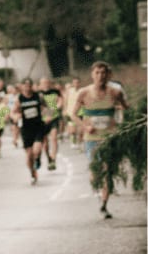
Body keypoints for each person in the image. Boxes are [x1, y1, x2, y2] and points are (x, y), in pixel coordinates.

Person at [71, 61, 128, 218]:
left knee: (107, 170)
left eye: (103, 73)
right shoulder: (83, 93)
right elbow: (73, 114)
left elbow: (126, 108)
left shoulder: (115, 92)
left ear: (108, 74)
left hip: (110, 138)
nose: (100, 76)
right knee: (96, 173)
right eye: (97, 73)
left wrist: (120, 119)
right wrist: (84, 126)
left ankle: (104, 204)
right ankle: (98, 190)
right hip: (92, 138)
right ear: (92, 74)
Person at [14, 78, 46, 185]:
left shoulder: (38, 96)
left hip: (38, 126)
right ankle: (32, 173)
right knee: (28, 155)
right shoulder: (19, 98)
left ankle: (37, 158)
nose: (27, 87)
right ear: (22, 86)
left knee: (36, 150)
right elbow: (13, 112)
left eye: (29, 85)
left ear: (32, 86)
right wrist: (15, 116)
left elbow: (49, 107)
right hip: (26, 129)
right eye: (25, 85)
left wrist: (49, 115)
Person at [39, 78, 63, 170]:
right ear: (40, 84)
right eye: (43, 83)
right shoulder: (38, 94)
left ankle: (53, 159)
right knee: (45, 143)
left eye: (47, 82)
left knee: (54, 138)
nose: (46, 84)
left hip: (54, 118)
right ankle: (49, 158)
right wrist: (47, 114)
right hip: (43, 120)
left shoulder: (55, 91)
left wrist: (57, 107)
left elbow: (60, 102)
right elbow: (39, 107)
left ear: (50, 83)